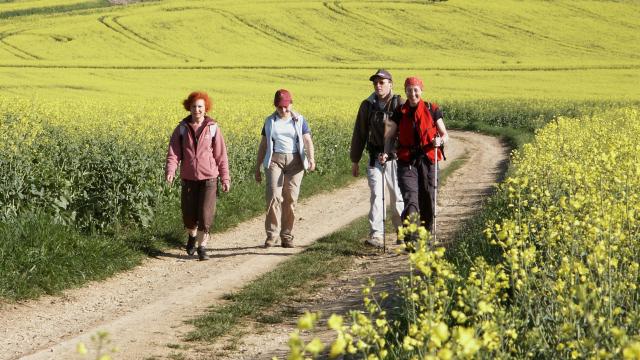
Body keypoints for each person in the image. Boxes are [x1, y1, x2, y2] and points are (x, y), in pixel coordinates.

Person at [379, 76, 448, 239]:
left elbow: (445, 135)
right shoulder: (398, 112)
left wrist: (440, 140)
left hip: (428, 158)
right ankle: (412, 235)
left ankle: (426, 231)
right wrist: (386, 153)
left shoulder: (432, 109)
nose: (412, 94)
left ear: (421, 91)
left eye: (415, 90)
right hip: (406, 159)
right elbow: (388, 136)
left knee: (428, 196)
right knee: (410, 197)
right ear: (405, 91)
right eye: (409, 90)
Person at [166, 91, 231, 261]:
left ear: (205, 108)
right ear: (189, 107)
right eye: (194, 106)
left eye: (200, 106)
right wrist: (171, 171)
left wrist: (225, 178)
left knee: (205, 215)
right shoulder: (181, 128)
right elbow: (174, 153)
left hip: (209, 178)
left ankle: (202, 247)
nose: (197, 110)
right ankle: (192, 236)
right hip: (188, 177)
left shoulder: (213, 128)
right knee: (188, 215)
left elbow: (221, 155)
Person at [255, 89, 316, 248]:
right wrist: (257, 167)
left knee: (290, 199)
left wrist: (311, 159)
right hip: (275, 160)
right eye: (279, 107)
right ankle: (272, 235)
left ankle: (286, 235)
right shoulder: (269, 121)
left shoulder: (299, 120)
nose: (283, 110)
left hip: (296, 162)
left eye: (285, 106)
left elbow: (307, 140)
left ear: (291, 103)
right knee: (273, 196)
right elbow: (263, 145)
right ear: (275, 105)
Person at [350, 69, 405, 247]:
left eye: (382, 82)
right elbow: (360, 132)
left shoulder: (399, 104)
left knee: (397, 196)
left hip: (395, 158)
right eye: (376, 82)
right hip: (375, 157)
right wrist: (355, 160)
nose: (378, 85)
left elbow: (405, 132)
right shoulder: (367, 105)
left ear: (390, 84)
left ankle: (402, 231)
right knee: (376, 195)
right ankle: (377, 235)